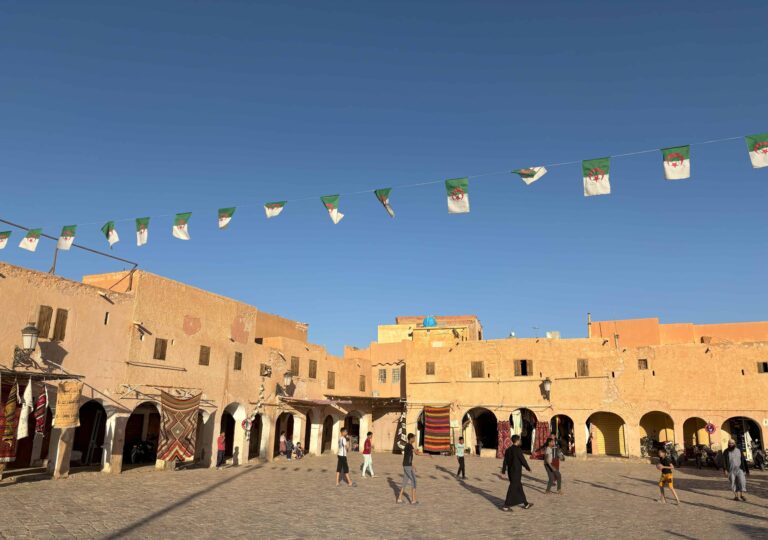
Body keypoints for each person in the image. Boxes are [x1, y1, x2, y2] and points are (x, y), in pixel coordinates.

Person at [500, 434, 533, 511]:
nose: (520, 441)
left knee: (519, 487)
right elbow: (522, 460)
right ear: (517, 441)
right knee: (512, 487)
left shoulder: (508, 450)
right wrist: (528, 468)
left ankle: (526, 504)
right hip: (516, 472)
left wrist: (503, 471)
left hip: (510, 472)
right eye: (520, 440)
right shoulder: (518, 450)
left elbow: (505, 461)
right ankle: (506, 505)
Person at [397, 433, 420, 504]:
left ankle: (399, 499)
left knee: (405, 481)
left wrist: (413, 465)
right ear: (410, 439)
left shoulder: (408, 445)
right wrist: (427, 454)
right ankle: (413, 500)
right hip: (407, 466)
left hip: (407, 465)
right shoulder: (409, 445)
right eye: (413, 438)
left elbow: (408, 458)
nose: (414, 439)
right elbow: (417, 453)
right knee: (414, 481)